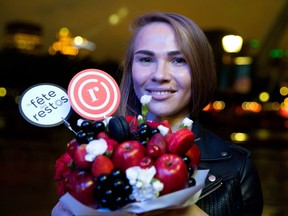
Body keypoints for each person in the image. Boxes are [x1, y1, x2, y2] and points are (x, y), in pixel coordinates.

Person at [52, 12, 263, 215]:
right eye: (146, 59)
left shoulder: (236, 169)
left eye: (179, 60)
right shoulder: (91, 157)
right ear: (131, 69)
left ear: (201, 70)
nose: (160, 75)